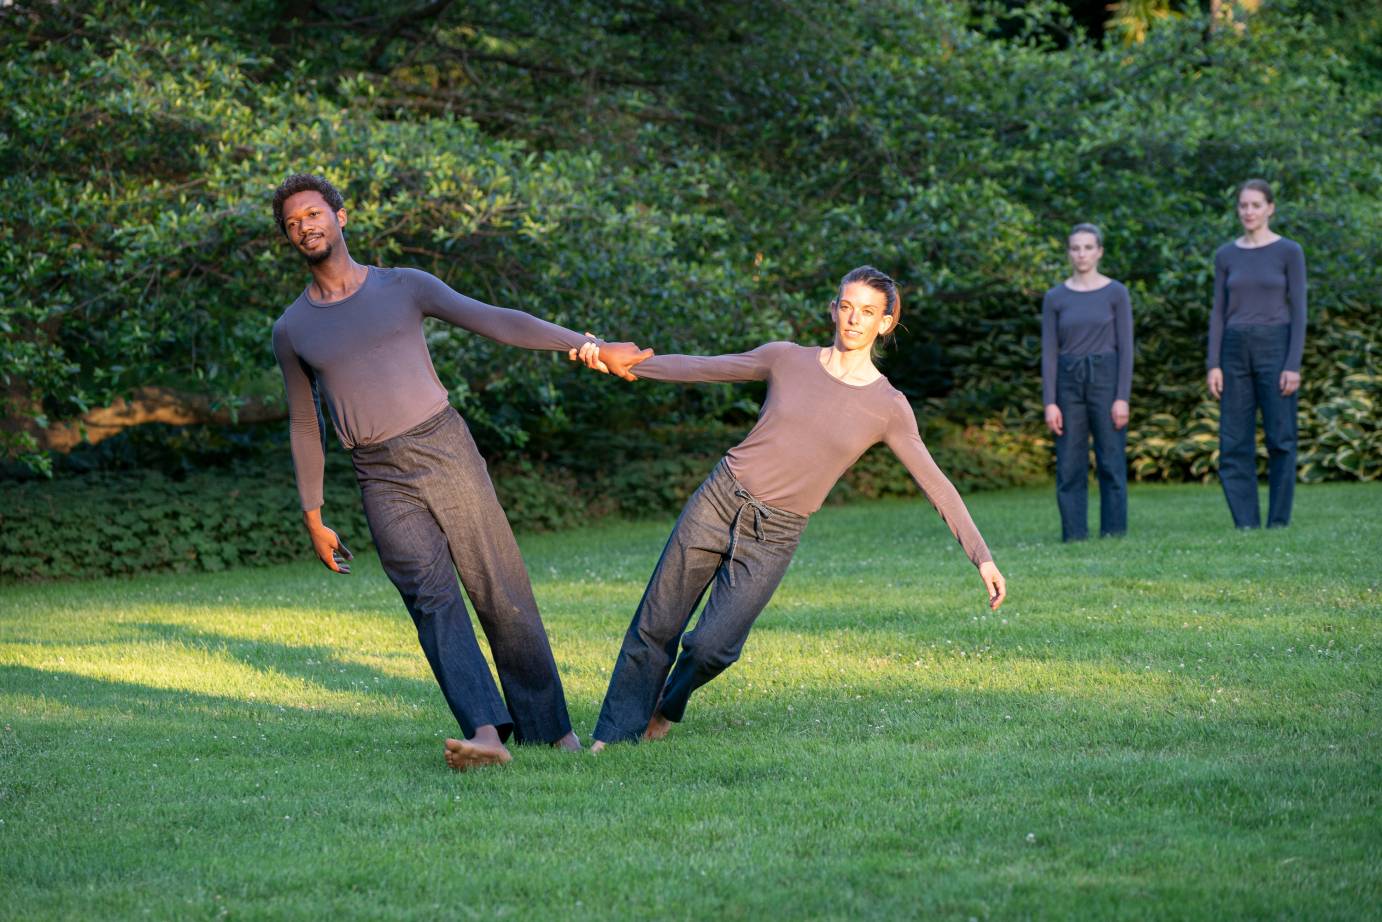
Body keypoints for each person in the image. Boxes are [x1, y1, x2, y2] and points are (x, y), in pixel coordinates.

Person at [268, 172, 651, 769]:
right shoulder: (292, 329)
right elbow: (302, 421)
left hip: (442, 444)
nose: (304, 228)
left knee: (498, 583)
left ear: (341, 218)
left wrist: (591, 346)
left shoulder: (405, 286)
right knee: (430, 598)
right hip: (377, 472)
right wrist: (313, 514)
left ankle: (551, 731)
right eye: (292, 224)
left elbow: (496, 319)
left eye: (313, 214)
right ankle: (485, 734)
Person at [571, 266, 1006, 749]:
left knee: (713, 647)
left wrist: (981, 555)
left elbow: (936, 484)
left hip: (775, 533)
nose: (853, 320)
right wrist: (625, 362)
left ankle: (668, 703)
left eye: (867, 312)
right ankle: (612, 737)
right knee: (657, 623)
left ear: (885, 323)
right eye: (846, 306)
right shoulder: (785, 359)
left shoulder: (889, 407)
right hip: (719, 500)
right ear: (833, 308)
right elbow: (703, 367)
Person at [1206, 179, 1307, 528]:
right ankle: (1245, 522)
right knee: (1233, 441)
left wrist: (1292, 364)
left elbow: (1300, 310)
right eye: (1243, 205)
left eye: (1255, 205)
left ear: (1270, 208)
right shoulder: (1225, 255)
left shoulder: (1289, 252)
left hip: (1275, 346)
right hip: (1233, 350)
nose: (1248, 212)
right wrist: (1213, 363)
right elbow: (1218, 311)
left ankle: (1278, 521)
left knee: (1280, 439)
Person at [1040, 223, 1134, 542]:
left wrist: (1122, 396)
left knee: (1111, 460)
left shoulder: (1116, 293)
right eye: (1076, 248)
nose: (1082, 254)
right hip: (1068, 384)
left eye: (1088, 247)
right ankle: (1074, 534)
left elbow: (1126, 348)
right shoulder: (1055, 297)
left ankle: (1114, 532)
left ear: (1099, 252)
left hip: (1106, 381)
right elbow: (1049, 353)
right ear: (1069, 253)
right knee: (1069, 463)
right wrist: (1050, 401)